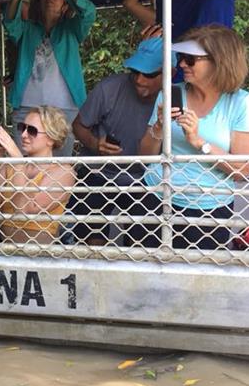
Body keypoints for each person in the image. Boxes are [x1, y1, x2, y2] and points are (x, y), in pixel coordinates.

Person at [139, 25, 249, 250]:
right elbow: (144, 155)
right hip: (155, 196)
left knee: (195, 279)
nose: (182, 64)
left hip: (209, 207)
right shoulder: (169, 93)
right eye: (182, 57)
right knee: (146, 272)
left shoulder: (241, 102)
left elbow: (242, 170)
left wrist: (199, 142)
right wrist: (158, 126)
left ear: (219, 62)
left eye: (191, 59)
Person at [69, 29, 176, 246]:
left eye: (149, 74)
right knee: (91, 244)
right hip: (99, 172)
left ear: (170, 73)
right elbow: (78, 125)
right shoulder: (109, 88)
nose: (139, 79)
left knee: (143, 245)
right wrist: (94, 144)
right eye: (135, 71)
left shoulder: (176, 99)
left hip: (146, 179)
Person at [4, 0, 97, 156]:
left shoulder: (72, 29)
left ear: (65, 5)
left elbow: (89, 13)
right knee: (22, 165)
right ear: (38, 3)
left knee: (60, 167)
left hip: (64, 109)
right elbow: (10, 22)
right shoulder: (27, 29)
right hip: (26, 106)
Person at [0, 106, 75, 245]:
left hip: (41, 258)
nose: (23, 135)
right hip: (6, 254)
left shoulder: (63, 172)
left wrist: (18, 162)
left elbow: (25, 211)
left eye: (32, 131)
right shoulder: (9, 166)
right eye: (22, 127)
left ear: (51, 138)